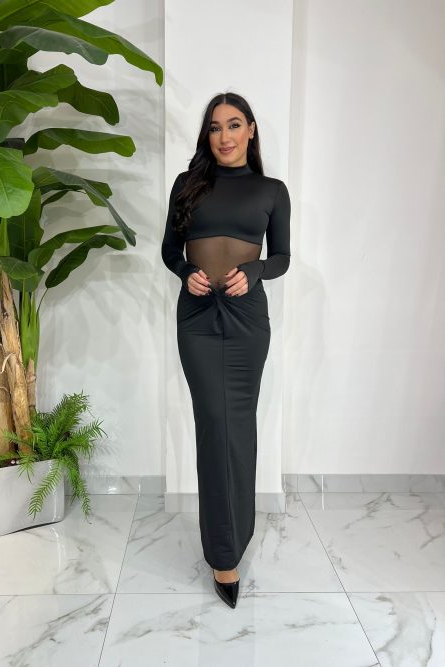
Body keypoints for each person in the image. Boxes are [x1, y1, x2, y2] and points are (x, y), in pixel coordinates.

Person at [161, 92, 291, 608]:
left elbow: (281, 257)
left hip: (246, 320)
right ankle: (222, 553)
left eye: (234, 125)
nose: (225, 136)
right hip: (196, 318)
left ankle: (238, 535)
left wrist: (255, 270)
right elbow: (169, 250)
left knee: (239, 426)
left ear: (251, 130)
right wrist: (186, 272)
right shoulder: (187, 184)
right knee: (213, 425)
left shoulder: (272, 190)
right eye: (215, 127)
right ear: (207, 135)